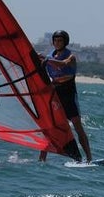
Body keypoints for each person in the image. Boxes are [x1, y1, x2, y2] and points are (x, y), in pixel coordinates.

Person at [39, 29, 93, 163]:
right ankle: (42, 159)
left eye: (60, 41)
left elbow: (63, 64)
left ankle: (89, 159)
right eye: (55, 40)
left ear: (65, 42)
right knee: (49, 126)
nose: (57, 43)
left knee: (77, 126)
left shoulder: (71, 56)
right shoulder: (49, 56)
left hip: (68, 93)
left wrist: (47, 59)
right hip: (56, 92)